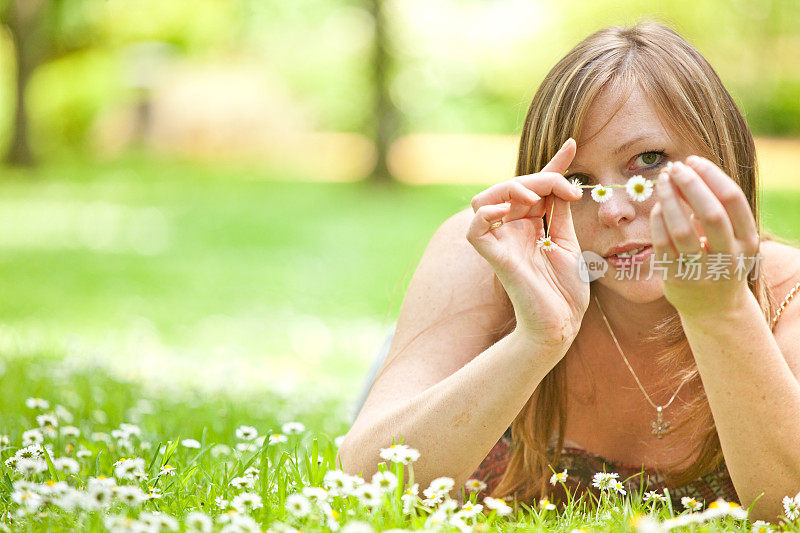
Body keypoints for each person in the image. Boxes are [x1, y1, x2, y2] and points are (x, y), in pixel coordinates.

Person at [337, 20, 800, 522]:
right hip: (448, 362)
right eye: (578, 180)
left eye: (649, 159)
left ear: (725, 157)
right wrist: (536, 338)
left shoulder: (788, 297)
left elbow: (788, 510)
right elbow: (365, 489)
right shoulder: (493, 255)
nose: (614, 210)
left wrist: (723, 314)